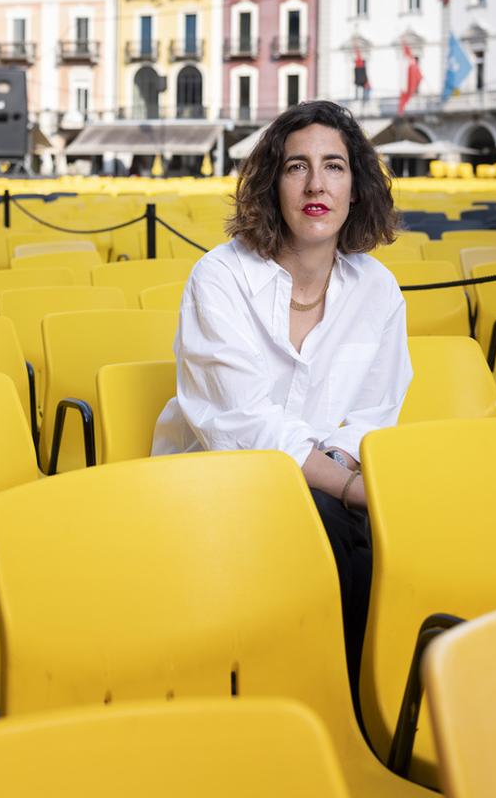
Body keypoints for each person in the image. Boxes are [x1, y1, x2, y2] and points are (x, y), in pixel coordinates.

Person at [152, 99, 410, 700]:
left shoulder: (376, 287)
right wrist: (347, 487)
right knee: (339, 530)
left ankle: (365, 696)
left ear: (356, 185)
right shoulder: (220, 276)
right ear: (273, 184)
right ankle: (349, 707)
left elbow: (374, 413)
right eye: (297, 167)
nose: (316, 184)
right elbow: (241, 426)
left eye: (335, 166)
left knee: (401, 531)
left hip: (331, 485)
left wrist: (341, 474)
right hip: (216, 487)